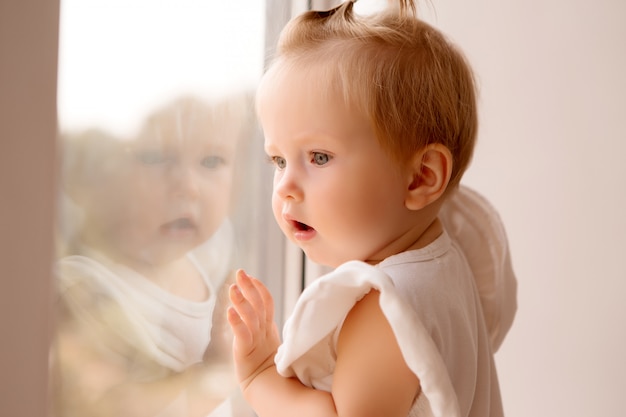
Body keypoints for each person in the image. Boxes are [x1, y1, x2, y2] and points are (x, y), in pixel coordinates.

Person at [226, 1, 516, 417]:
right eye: (278, 160)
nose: (286, 187)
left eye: (319, 157)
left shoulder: (384, 308)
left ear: (420, 178)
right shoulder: (447, 264)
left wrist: (258, 376)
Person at [52, 93, 256, 417]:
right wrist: (220, 370)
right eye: (156, 159)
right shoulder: (85, 289)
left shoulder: (214, 252)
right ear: (102, 178)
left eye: (212, 161)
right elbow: (113, 405)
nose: (188, 185)